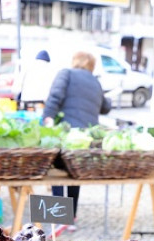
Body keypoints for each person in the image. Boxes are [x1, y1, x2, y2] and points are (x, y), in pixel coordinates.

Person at [43, 51, 111, 231]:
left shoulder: (66, 73)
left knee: (56, 171)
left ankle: (58, 218)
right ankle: (70, 216)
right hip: (87, 135)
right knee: (75, 173)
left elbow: (55, 96)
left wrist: (47, 117)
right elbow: (105, 107)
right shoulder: (96, 82)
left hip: (67, 132)